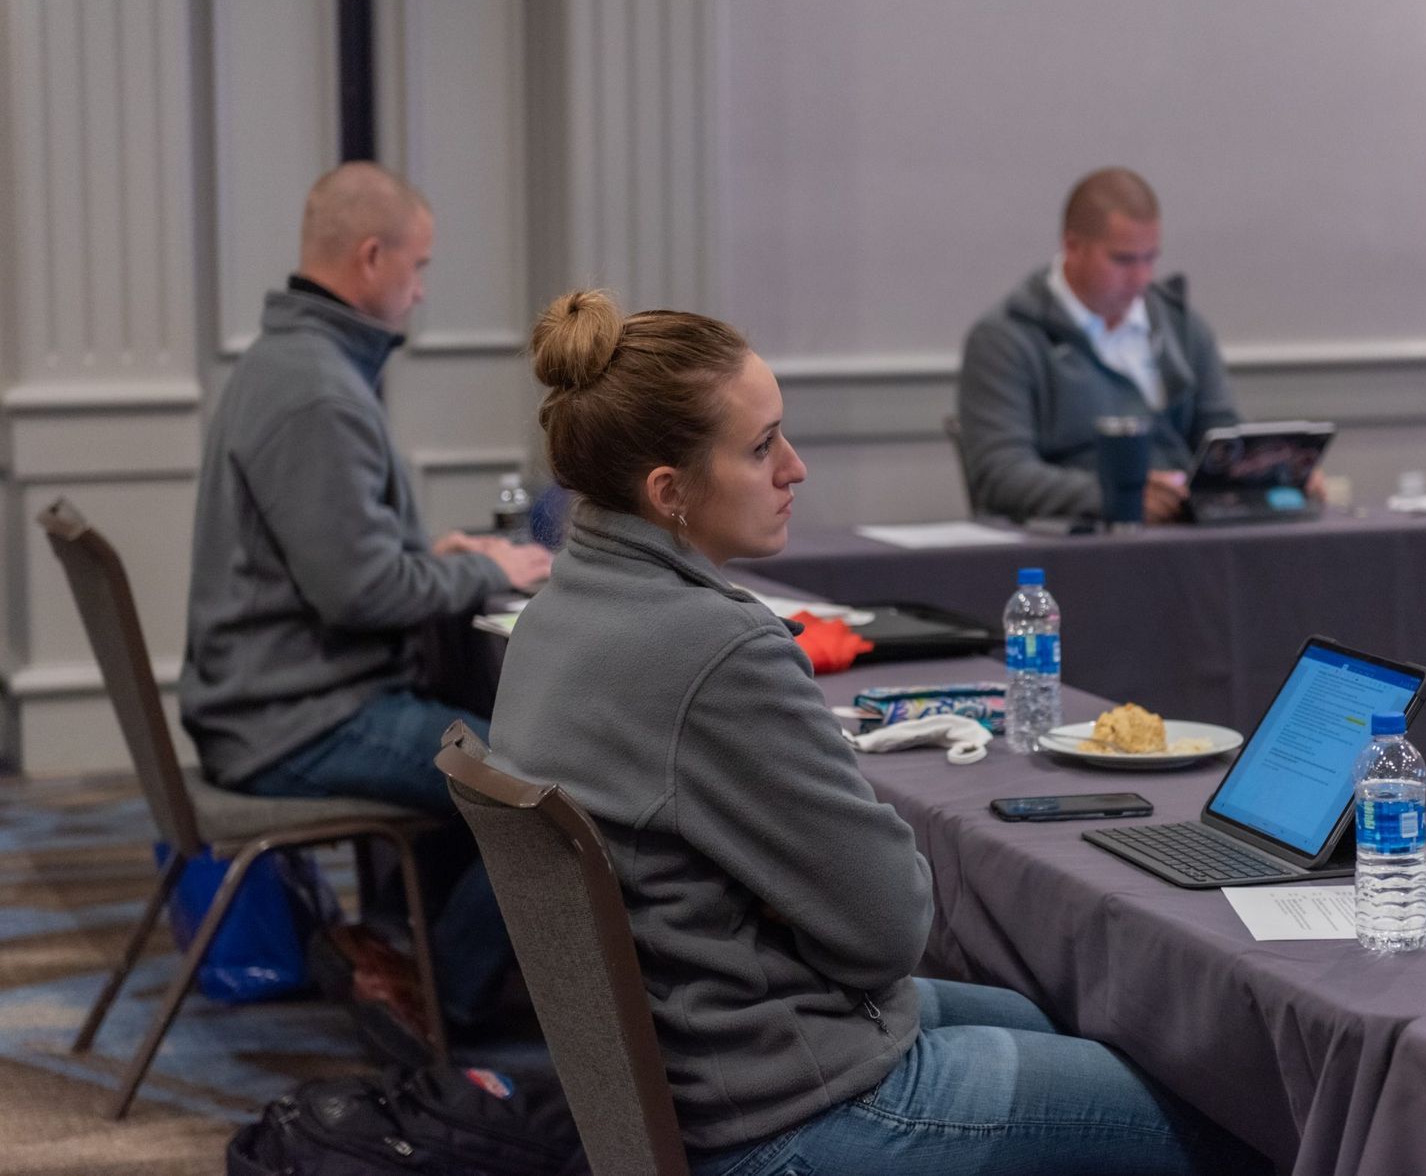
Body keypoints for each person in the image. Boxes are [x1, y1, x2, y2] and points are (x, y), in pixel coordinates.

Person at [488, 290, 1267, 1174]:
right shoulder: (719, 647)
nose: (795, 468)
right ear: (668, 492)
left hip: (707, 1078)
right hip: (786, 1115)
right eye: (759, 447)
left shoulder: (552, 617)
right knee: (1226, 1120)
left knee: (1076, 1025)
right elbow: (890, 924)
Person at [180, 162, 551, 1055]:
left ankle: (395, 940)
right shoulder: (316, 392)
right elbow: (358, 593)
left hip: (278, 699)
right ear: (372, 258)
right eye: (418, 269)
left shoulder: (292, 364)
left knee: (494, 749)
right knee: (544, 796)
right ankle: (436, 993)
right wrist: (483, 568)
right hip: (298, 720)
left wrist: (432, 556)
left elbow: (334, 561)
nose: (421, 292)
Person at [958, 167, 1239, 523]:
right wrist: (1117, 495)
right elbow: (1000, 475)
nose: (1141, 278)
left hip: (1186, 538)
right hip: (1077, 549)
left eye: (1150, 258)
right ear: (1073, 246)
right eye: (1123, 260)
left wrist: (1277, 476)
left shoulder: (1181, 325)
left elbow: (1224, 441)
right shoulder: (1005, 339)